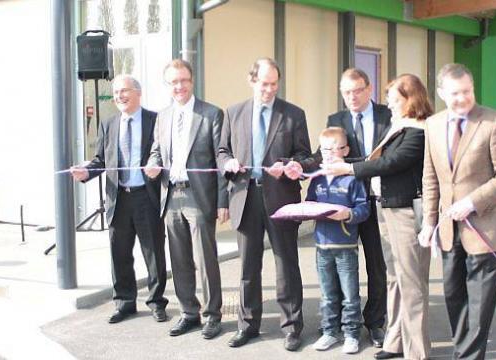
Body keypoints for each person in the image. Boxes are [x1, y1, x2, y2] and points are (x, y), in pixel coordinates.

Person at [324, 74, 433, 360]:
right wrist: (334, 163)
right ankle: (395, 342)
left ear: (411, 100)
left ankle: (417, 351)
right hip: (389, 210)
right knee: (396, 279)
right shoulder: (400, 126)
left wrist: (347, 170)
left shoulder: (419, 130)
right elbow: (372, 159)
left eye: (394, 100)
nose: (390, 105)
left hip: (406, 212)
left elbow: (390, 163)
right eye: (389, 100)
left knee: (412, 283)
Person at [418, 63, 496, 360]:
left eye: (467, 91)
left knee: (479, 305)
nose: (462, 98)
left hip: (486, 229)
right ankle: (463, 353)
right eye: (455, 93)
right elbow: (430, 177)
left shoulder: (494, 122)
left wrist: (473, 202)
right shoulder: (433, 125)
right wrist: (428, 223)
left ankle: (469, 357)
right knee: (454, 297)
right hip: (449, 230)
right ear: (441, 93)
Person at [217, 57, 311, 351]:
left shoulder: (293, 114)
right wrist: (228, 162)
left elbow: (305, 156)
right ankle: (247, 325)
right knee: (247, 266)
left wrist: (292, 165)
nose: (269, 90)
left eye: (273, 84)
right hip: (244, 198)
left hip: (281, 198)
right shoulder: (233, 113)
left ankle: (292, 327)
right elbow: (221, 151)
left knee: (286, 264)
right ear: (252, 81)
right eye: (264, 84)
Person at [70, 75, 168, 324]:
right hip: (118, 198)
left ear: (138, 92)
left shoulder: (155, 120)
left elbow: (165, 156)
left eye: (124, 91)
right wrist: (85, 174)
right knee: (119, 253)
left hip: (147, 197)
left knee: (154, 253)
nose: (119, 97)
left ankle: (157, 302)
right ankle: (124, 302)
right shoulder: (109, 124)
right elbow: (101, 160)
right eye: (115, 93)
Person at [144, 59, 228, 339]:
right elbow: (157, 151)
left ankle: (213, 315)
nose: (179, 86)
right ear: (168, 85)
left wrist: (222, 201)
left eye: (183, 80)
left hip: (199, 196)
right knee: (179, 259)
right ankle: (188, 312)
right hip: (171, 195)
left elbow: (220, 160)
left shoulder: (211, 114)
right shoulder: (163, 116)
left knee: (204, 259)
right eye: (173, 82)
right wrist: (153, 164)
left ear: (192, 82)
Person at [315, 68, 391, 347]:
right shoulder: (336, 119)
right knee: (341, 267)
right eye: (346, 92)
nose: (352, 97)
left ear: (369, 89)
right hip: (344, 202)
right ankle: (338, 325)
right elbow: (323, 152)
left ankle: (375, 322)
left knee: (377, 266)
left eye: (357, 90)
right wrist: (303, 167)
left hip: (379, 201)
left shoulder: (387, 116)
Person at [307, 127, 370, 355]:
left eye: (335, 149)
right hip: (321, 247)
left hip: (345, 247)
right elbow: (310, 202)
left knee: (350, 295)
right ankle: (329, 332)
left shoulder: (353, 179)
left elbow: (364, 208)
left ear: (345, 150)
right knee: (327, 294)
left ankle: (352, 334)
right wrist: (310, 210)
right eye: (325, 149)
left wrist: (347, 214)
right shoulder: (317, 179)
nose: (329, 154)